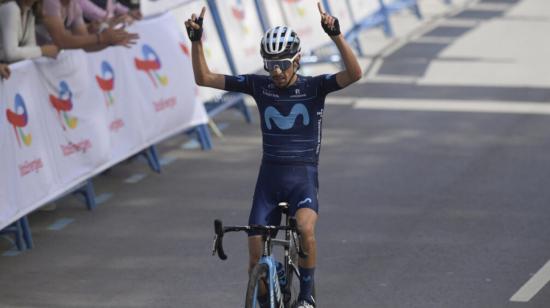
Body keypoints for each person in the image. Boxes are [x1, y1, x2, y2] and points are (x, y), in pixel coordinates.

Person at [186, 3, 361, 308]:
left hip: (302, 178)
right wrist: (196, 42)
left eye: (282, 63)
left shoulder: (314, 87)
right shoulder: (259, 85)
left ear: (297, 60)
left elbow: (354, 74)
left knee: (305, 229)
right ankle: (267, 294)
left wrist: (336, 36)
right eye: (270, 64)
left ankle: (306, 297)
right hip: (269, 180)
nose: (276, 71)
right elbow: (204, 79)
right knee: (255, 259)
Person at [37, 0, 138, 52]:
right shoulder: (50, 2)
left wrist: (110, 41)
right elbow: (61, 41)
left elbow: (86, 46)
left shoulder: (74, 6)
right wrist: (103, 37)